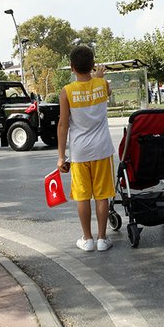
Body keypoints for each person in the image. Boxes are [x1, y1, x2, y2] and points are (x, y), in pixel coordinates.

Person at [57, 45, 115, 252]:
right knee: (102, 195)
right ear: (92, 65)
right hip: (102, 149)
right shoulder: (102, 85)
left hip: (80, 153)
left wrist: (61, 157)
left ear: (72, 67)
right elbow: (106, 88)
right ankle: (102, 238)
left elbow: (63, 125)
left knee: (82, 195)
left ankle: (87, 239)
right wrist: (99, 76)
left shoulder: (67, 92)